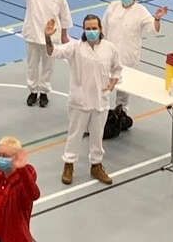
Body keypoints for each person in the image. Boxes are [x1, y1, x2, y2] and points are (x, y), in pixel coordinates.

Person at [43, 14, 120, 186]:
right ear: (83, 30)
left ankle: (96, 165)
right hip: (80, 101)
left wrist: (113, 81)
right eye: (88, 28)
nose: (91, 31)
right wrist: (47, 37)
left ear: (100, 29)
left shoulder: (110, 48)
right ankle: (69, 164)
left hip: (101, 100)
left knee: (97, 135)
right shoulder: (75, 47)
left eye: (94, 28)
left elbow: (117, 68)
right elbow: (52, 52)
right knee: (75, 134)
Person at [101, 0, 167, 135]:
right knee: (103, 84)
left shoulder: (140, 11)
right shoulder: (113, 7)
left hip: (128, 56)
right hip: (109, 54)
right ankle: (101, 113)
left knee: (124, 89)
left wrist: (157, 19)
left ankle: (121, 114)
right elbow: (103, 27)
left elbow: (153, 28)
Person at [12, 0, 70, 108]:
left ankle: (44, 92)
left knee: (48, 66)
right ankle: (33, 91)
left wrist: (64, 35)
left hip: (51, 37)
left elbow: (65, 14)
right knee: (32, 65)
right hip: (33, 34)